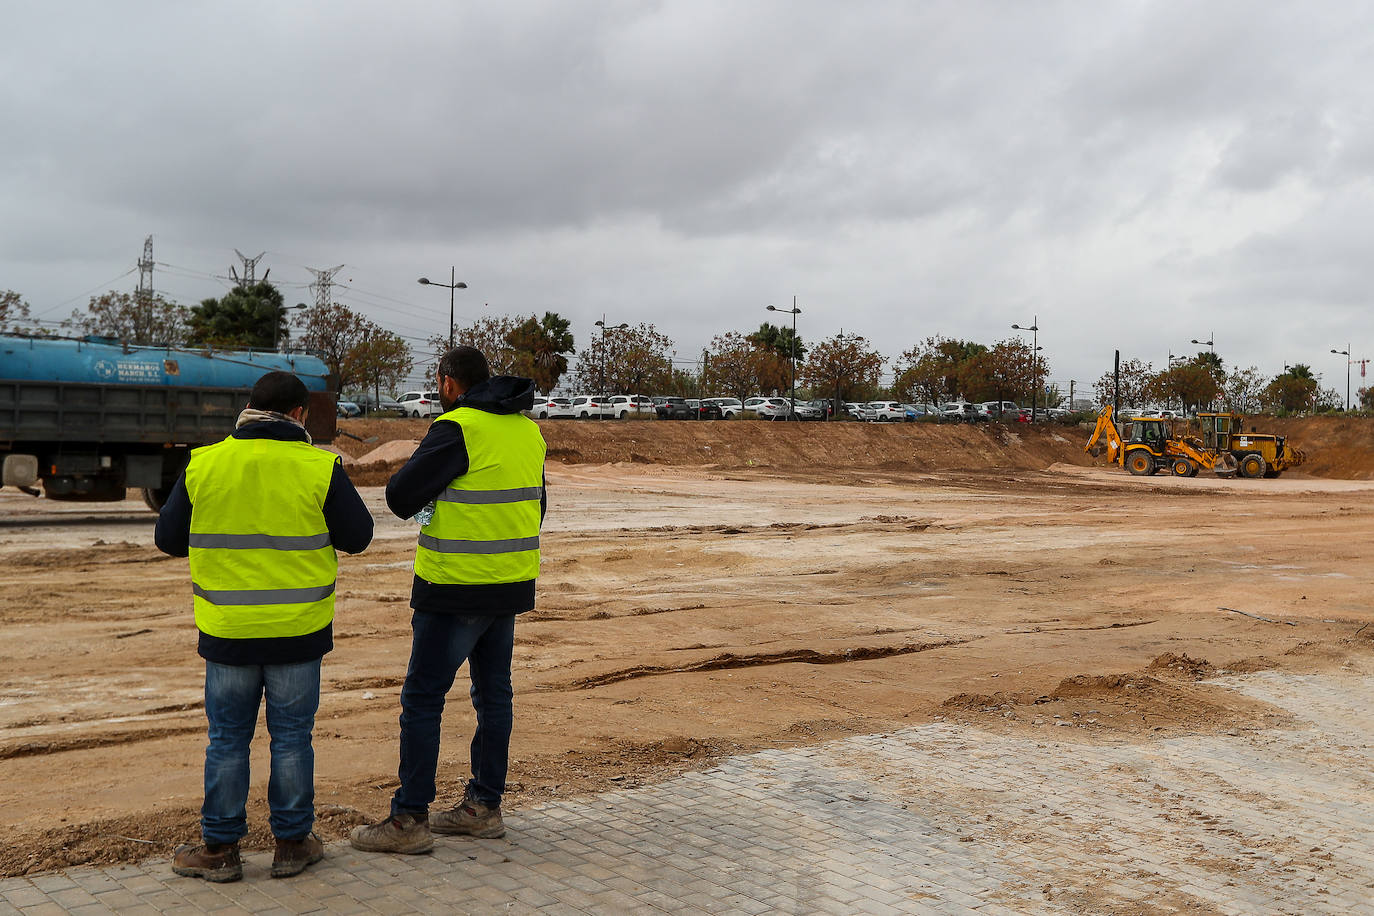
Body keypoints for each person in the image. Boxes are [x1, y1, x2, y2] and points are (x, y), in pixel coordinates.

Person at [155, 370, 373, 882]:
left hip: (228, 630)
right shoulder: (319, 468)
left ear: (249, 408)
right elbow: (358, 535)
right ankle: (293, 845)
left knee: (227, 739)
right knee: (292, 737)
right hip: (297, 631)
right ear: (299, 414)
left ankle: (220, 851)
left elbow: (168, 538)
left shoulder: (205, 464)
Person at [350, 346, 545, 855]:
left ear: (449, 384)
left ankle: (409, 820)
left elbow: (399, 497)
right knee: (493, 695)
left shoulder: (457, 428)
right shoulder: (527, 430)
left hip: (454, 587)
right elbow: (535, 505)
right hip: (509, 584)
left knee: (422, 700)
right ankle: (483, 808)